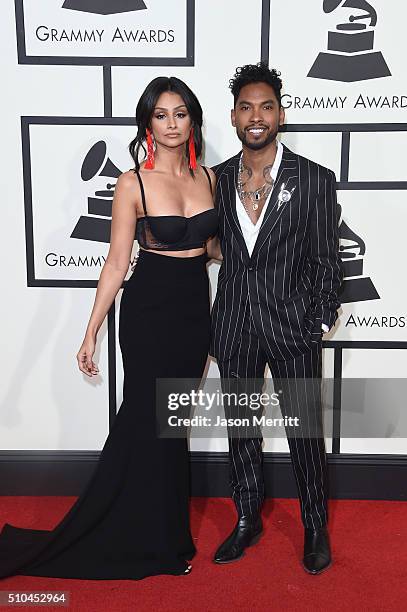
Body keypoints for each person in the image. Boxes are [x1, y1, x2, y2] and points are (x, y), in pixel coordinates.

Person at [0, 77, 218, 580]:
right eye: (161, 116)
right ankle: (138, 539)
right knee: (145, 424)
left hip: (192, 314)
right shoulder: (131, 183)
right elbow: (118, 262)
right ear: (147, 123)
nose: (171, 124)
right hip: (148, 312)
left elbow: (209, 248)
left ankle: (169, 536)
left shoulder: (207, 178)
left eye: (180, 114)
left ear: (192, 120)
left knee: (174, 428)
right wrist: (90, 330)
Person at [209, 63, 343, 574]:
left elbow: (328, 263)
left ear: (281, 113)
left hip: (294, 327)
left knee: (304, 431)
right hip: (236, 324)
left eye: (266, 106)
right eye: (246, 107)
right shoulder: (217, 180)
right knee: (241, 427)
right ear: (234, 116)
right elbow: (210, 245)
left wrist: (316, 321)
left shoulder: (313, 179)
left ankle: (314, 526)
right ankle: (247, 517)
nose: (256, 116)